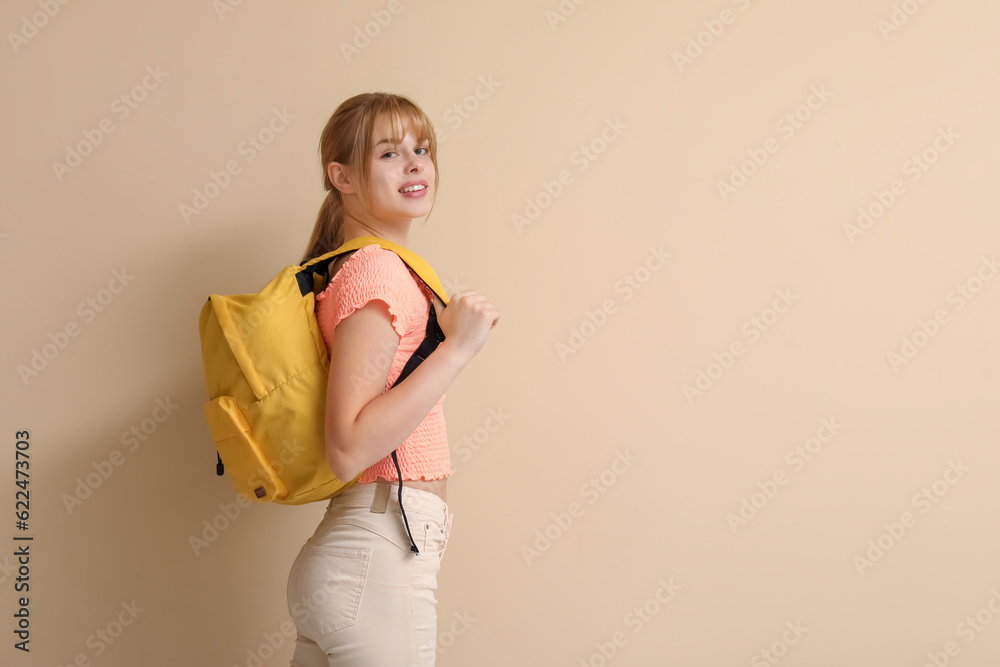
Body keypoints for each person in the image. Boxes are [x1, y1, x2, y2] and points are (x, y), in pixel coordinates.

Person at [285, 92, 499, 666]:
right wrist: (457, 350)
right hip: (376, 564)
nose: (413, 164)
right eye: (388, 152)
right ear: (342, 177)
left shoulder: (374, 267)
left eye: (421, 148)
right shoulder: (376, 271)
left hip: (361, 559)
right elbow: (347, 446)